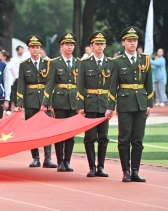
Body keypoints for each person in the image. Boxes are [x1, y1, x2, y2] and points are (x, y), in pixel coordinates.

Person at [106, 27, 153, 183]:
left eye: (135, 40)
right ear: (124, 42)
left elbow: (149, 83)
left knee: (138, 139)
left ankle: (135, 171)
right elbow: (112, 86)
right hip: (125, 103)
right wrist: (110, 107)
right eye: (129, 41)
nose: (133, 43)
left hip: (140, 102)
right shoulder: (117, 62)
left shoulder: (145, 60)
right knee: (124, 138)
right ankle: (126, 171)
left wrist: (149, 103)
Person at [16, 35, 56, 168]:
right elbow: (21, 84)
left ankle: (48, 158)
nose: (35, 49)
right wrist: (19, 103)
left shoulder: (48, 63)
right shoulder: (24, 65)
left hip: (45, 100)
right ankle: (35, 158)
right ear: (28, 48)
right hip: (31, 100)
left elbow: (51, 83)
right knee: (32, 130)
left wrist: (49, 100)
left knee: (47, 129)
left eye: (37, 47)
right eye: (32, 47)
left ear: (40, 49)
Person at [42, 32, 80, 172]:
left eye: (71, 45)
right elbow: (49, 84)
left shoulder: (78, 63)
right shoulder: (54, 62)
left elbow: (81, 85)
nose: (69, 47)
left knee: (70, 133)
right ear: (61, 46)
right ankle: (59, 162)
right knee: (59, 133)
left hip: (73, 101)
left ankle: (67, 161)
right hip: (59, 100)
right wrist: (46, 101)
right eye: (67, 45)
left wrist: (81, 103)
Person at [76, 31, 111, 178]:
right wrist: (80, 105)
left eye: (102, 44)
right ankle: (92, 167)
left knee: (103, 136)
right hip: (89, 103)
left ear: (105, 45)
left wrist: (112, 105)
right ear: (92, 45)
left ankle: (101, 167)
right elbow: (80, 86)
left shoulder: (111, 62)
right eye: (97, 44)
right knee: (90, 137)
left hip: (104, 103)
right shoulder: (84, 63)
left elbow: (113, 85)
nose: (99, 46)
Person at [2, 50, 18, 115]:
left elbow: (15, 73)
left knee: (10, 96)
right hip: (2, 83)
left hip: (10, 82)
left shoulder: (11, 63)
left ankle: (9, 109)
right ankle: (3, 109)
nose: (1, 57)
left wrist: (12, 81)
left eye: (2, 56)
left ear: (5, 57)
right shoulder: (0, 63)